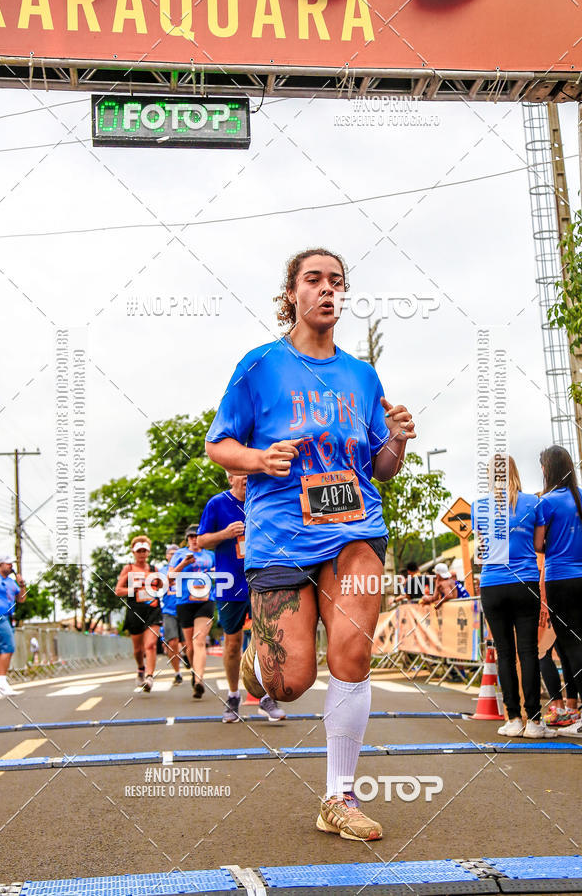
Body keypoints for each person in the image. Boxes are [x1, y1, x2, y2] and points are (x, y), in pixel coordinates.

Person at [205, 247, 415, 840]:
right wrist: (258, 458)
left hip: (354, 529)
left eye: (337, 282)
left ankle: (339, 797)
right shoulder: (259, 366)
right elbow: (218, 444)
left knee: (352, 653)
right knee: (288, 683)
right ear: (291, 293)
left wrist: (397, 439)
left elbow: (381, 468)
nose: (327, 289)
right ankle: (260, 666)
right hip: (280, 537)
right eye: (314, 279)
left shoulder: (362, 376)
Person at [472, 454, 555, 738]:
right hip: (525, 582)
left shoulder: (478, 507)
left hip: (492, 583)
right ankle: (534, 720)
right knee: (528, 651)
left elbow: (481, 548)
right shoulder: (533, 503)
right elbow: (538, 545)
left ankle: (513, 719)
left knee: (504, 652)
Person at [197, 473, 286, 723]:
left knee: (266, 639)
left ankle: (266, 696)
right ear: (230, 478)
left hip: (262, 579)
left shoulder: (265, 498)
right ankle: (234, 695)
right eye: (240, 473)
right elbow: (202, 540)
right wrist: (225, 534)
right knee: (233, 642)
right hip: (230, 583)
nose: (246, 476)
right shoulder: (217, 503)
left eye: (249, 472)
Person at [534, 445, 582, 738]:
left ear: (548, 469)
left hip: (559, 579)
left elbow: (538, 545)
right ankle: (574, 709)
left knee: (571, 646)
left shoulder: (546, 502)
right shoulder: (580, 496)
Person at [169, 525, 215, 699]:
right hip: (184, 601)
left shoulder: (210, 555)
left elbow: (221, 574)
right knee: (190, 645)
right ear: (187, 539)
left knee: (199, 640)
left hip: (206, 600)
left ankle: (199, 681)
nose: (194, 539)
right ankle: (195, 673)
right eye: (191, 536)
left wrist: (214, 573)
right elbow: (169, 577)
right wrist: (184, 564)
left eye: (197, 536)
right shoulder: (179, 554)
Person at [115, 536, 163, 693]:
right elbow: (118, 591)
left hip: (153, 610)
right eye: (139, 551)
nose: (142, 554)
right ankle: (141, 668)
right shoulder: (128, 569)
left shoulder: (154, 570)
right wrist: (133, 589)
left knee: (150, 645)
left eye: (144, 550)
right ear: (133, 552)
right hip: (135, 610)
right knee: (138, 649)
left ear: (148, 552)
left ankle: (149, 677)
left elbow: (162, 586)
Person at [0, 555, 27, 696]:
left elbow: (21, 599)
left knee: (6, 648)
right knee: (8, 646)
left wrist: (22, 585)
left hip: (7, 618)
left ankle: (1, 683)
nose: (10, 566)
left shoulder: (11, 582)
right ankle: (0, 683)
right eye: (8, 564)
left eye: (11, 564)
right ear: (0, 564)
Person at [159, 544, 186, 685]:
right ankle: (177, 673)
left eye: (177, 553)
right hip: (169, 610)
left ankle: (187, 656)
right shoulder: (162, 570)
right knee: (172, 642)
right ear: (166, 556)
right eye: (171, 553)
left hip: (185, 608)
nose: (174, 555)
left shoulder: (186, 568)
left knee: (187, 643)